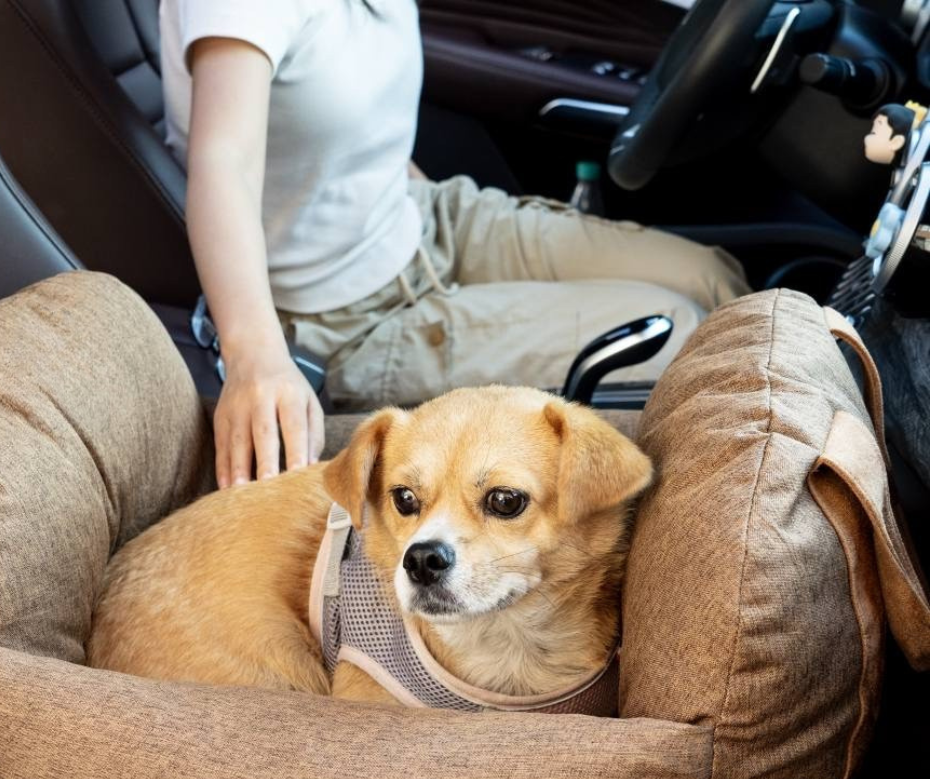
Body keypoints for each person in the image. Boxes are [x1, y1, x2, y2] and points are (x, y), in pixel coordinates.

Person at [160, 0, 749, 489]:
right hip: (346, 320)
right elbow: (222, 164)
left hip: (428, 219)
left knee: (714, 281)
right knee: (684, 332)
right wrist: (255, 359)